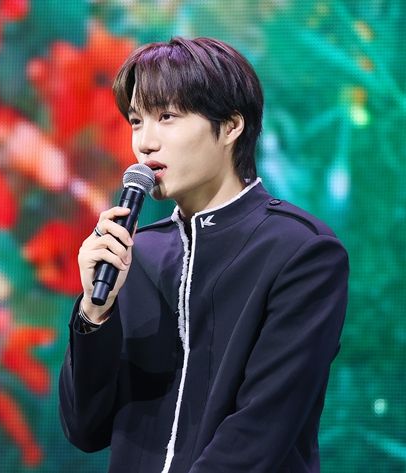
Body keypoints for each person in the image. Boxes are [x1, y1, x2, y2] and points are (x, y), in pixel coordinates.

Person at [58, 37, 349, 472]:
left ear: (231, 126)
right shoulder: (136, 254)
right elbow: (85, 428)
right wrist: (93, 314)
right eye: (136, 121)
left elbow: (259, 432)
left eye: (167, 117)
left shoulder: (302, 252)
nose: (145, 143)